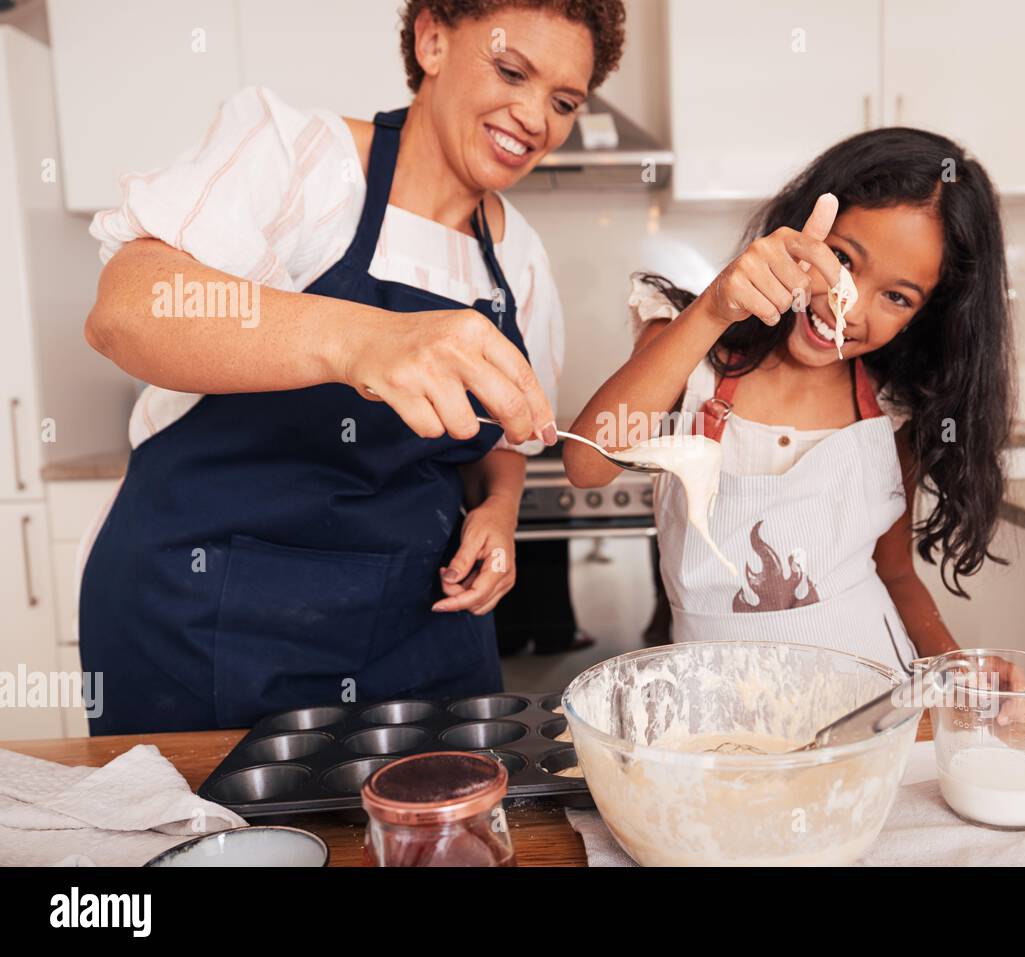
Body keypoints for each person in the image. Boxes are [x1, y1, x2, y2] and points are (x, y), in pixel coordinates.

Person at [78, 0, 626, 734]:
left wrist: (496, 511)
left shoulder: (518, 259)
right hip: (209, 619)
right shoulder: (306, 163)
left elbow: (507, 439)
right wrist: (361, 341)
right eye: (510, 70)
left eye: (563, 102)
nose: (535, 118)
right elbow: (126, 309)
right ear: (432, 39)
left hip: (417, 628)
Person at [564, 128, 1014, 672]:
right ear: (801, 229)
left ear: (926, 316)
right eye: (843, 260)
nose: (848, 307)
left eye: (897, 297)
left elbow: (893, 573)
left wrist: (955, 665)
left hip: (868, 700)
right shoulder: (692, 353)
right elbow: (587, 463)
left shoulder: (892, 410)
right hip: (715, 702)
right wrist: (713, 309)